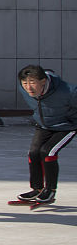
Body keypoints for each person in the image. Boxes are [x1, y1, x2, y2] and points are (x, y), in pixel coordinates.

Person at [14, 65, 77, 205]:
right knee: (33, 153)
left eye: (32, 83)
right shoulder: (23, 90)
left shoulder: (68, 91)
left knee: (47, 152)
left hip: (67, 126)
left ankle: (50, 190)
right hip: (44, 126)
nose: (28, 88)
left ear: (43, 81)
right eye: (25, 83)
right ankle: (37, 188)